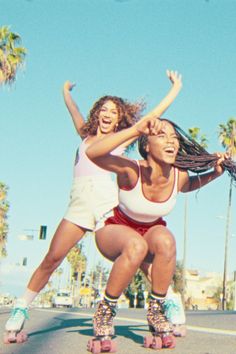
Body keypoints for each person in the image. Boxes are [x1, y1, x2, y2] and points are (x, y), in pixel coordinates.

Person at [4, 70, 182, 343]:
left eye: (114, 111)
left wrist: (174, 91)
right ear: (98, 112)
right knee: (53, 257)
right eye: (104, 109)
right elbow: (74, 113)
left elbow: (151, 120)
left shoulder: (122, 138)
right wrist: (66, 93)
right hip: (79, 202)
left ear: (120, 118)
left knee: (139, 254)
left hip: (107, 201)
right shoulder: (84, 134)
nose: (108, 114)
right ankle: (21, 307)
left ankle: (167, 299)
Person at [86, 116, 235, 349]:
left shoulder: (179, 175)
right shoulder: (131, 169)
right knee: (136, 245)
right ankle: (105, 311)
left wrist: (214, 173)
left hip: (148, 234)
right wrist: (136, 130)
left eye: (174, 137)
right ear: (146, 145)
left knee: (166, 240)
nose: (172, 141)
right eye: (162, 135)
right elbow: (93, 154)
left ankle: (156, 310)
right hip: (113, 230)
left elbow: (188, 186)